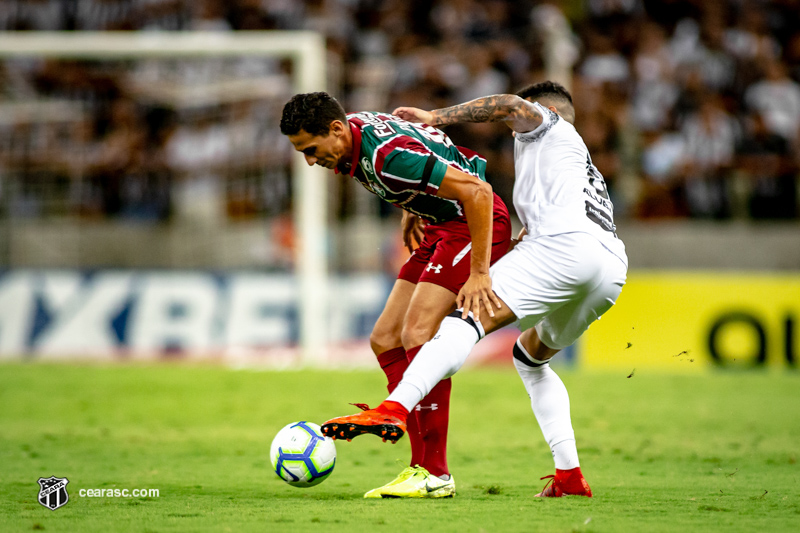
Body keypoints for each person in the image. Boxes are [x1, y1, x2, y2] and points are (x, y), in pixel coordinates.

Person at [321, 82, 628, 498]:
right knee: (530, 358)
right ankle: (569, 476)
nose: (508, 123)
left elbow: (505, 104)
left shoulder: (545, 124)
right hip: (609, 268)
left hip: (564, 251)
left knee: (462, 321)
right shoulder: (573, 157)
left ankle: (395, 410)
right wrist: (418, 206)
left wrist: (435, 116)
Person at [280, 92, 512, 498]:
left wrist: (479, 273)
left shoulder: (389, 160)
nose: (310, 161)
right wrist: (412, 204)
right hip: (438, 222)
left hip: (472, 222)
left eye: (311, 150)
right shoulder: (354, 130)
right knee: (384, 338)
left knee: (418, 333)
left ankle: (434, 473)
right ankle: (418, 459)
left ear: (336, 130)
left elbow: (477, 192)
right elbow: (424, 140)